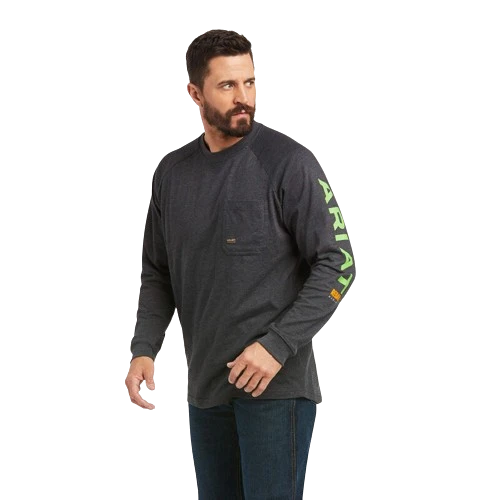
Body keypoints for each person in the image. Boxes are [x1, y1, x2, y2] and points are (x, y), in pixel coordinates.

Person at [125, 28, 354, 499]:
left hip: (275, 389)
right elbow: (156, 270)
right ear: (195, 94)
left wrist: (277, 345)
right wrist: (144, 346)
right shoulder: (171, 174)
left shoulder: (289, 163)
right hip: (205, 387)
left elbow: (338, 263)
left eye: (249, 83)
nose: (242, 98)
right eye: (227, 85)